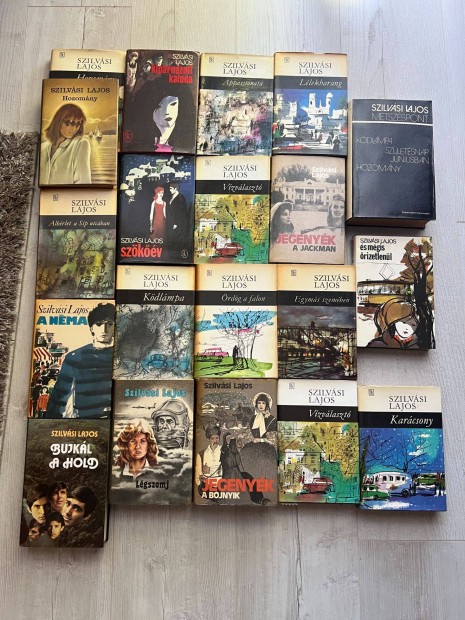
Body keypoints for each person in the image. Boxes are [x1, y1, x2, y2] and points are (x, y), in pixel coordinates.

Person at [46, 303, 115, 418]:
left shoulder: (123, 358)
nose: (104, 329)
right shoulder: (75, 357)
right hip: (85, 420)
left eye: (110, 324)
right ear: (91, 328)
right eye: (99, 324)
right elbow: (59, 398)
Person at [40, 103, 91, 185]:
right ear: (58, 121)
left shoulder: (80, 144)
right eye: (70, 122)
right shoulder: (43, 147)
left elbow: (84, 182)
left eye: (78, 124)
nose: (74, 128)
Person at [195, 425, 222, 498]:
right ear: (208, 439)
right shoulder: (201, 454)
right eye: (212, 438)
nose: (215, 441)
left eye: (217, 438)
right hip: (207, 489)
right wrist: (201, 477)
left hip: (222, 487)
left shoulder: (224, 452)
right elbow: (198, 477)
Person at [166, 182, 189, 249]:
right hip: (171, 222)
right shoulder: (171, 196)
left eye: (171, 188)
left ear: (175, 189)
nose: (170, 190)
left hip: (177, 223)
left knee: (176, 239)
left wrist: (176, 223)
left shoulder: (181, 198)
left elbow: (181, 213)